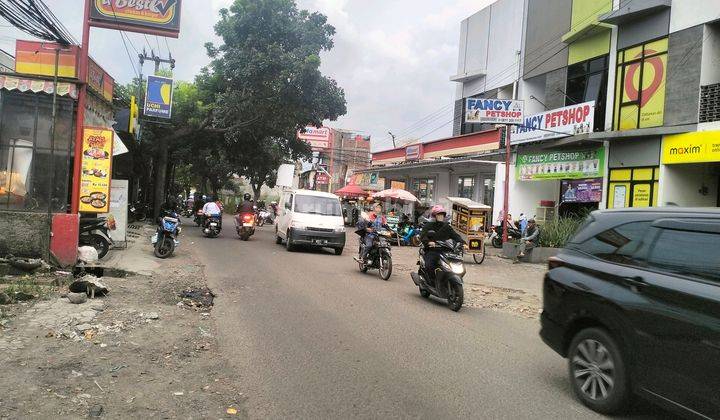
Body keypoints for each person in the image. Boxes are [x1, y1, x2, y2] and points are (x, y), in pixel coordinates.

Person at [420, 205, 464, 281]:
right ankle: (431, 281)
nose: (441, 216)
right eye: (439, 214)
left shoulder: (447, 227)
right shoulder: (429, 225)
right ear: (435, 216)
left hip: (446, 250)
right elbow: (423, 236)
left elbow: (455, 236)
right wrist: (429, 242)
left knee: (457, 264)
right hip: (432, 250)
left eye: (442, 215)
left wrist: (463, 243)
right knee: (429, 265)